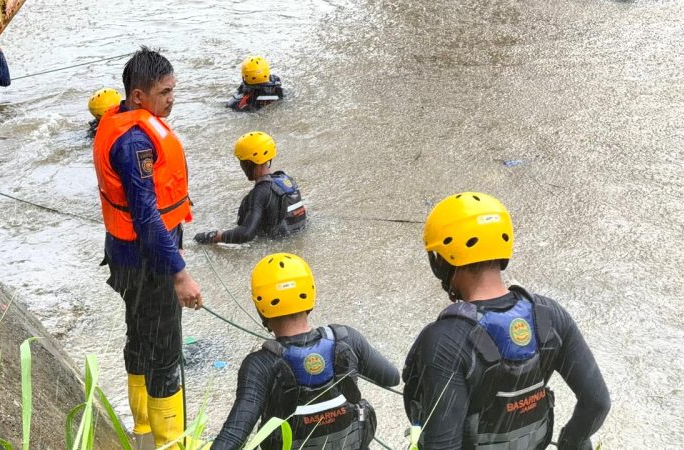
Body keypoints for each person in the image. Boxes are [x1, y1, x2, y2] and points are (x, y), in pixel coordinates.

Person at [402, 192, 610, 450]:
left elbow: (442, 444)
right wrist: (572, 441)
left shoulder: (445, 340)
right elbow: (597, 402)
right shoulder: (549, 315)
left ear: (444, 260)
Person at [92, 46, 203, 449]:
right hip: (147, 263)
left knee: (139, 338)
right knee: (165, 354)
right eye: (165, 91)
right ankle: (171, 442)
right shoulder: (135, 142)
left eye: (173, 89)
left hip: (125, 256)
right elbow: (146, 216)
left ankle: (142, 433)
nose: (172, 98)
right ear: (138, 96)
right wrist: (180, 273)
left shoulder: (121, 123)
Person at [211, 253, 400, 450]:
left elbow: (233, 437)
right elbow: (392, 377)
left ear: (261, 306)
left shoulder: (260, 365)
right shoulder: (348, 338)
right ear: (309, 294)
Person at [193, 131, 306, 245]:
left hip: (275, 248)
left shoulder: (260, 192)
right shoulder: (286, 180)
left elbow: (246, 234)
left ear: (248, 163)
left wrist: (215, 236)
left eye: (241, 162)